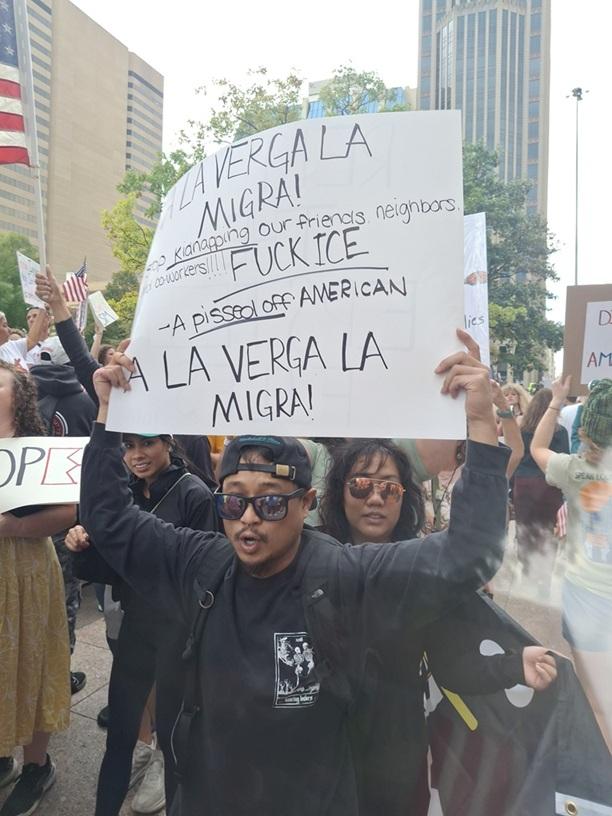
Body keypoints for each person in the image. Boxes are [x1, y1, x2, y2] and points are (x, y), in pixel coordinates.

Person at [72, 339, 511, 816]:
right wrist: (108, 415)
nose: (249, 519)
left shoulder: (346, 575)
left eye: (272, 501)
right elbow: (110, 519)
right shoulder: (200, 563)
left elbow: (470, 553)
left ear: (307, 505)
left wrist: (482, 425)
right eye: (234, 500)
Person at [319, 437, 556, 813]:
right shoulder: (306, 563)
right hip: (319, 754)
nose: (375, 498)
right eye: (361, 485)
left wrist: (513, 665)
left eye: (389, 488)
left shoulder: (427, 573)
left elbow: (452, 666)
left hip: (394, 759)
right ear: (339, 492)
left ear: (404, 498)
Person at [67, 432, 217, 816]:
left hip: (177, 634)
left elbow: (205, 573)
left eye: (147, 444)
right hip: (136, 625)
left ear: (168, 444)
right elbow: (111, 564)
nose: (137, 455)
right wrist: (83, 543)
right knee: (119, 733)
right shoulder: (127, 491)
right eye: (129, 446)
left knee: (172, 740)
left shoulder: (194, 494)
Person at [0, 362, 75, 816]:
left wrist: (10, 526)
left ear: (19, 393)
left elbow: (68, 514)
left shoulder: (39, 448)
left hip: (27, 569)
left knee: (32, 661)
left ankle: (37, 766)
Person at [531, 376, 612, 753]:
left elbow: (537, 447)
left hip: (586, 597)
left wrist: (555, 402)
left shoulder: (577, 470)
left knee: (597, 702)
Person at [513, 388, 569, 590]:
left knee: (525, 529)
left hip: (523, 483)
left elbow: (516, 455)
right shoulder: (559, 431)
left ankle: (528, 570)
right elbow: (563, 459)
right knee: (548, 531)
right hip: (549, 485)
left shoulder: (522, 429)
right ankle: (544, 578)